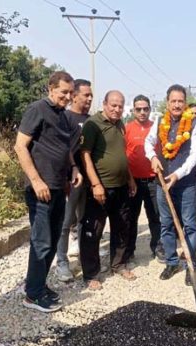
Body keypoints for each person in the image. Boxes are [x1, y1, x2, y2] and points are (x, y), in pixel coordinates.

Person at [14, 71, 82, 313]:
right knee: (41, 242)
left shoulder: (63, 117)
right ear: (50, 89)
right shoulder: (37, 109)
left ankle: (37, 284)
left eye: (70, 92)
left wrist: (74, 167)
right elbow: (20, 146)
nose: (67, 96)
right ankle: (32, 295)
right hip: (41, 189)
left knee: (52, 240)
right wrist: (36, 181)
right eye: (63, 92)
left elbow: (66, 149)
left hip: (58, 186)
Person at [144, 84, 196, 286]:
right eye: (173, 101)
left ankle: (189, 263)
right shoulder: (160, 121)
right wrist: (152, 156)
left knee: (189, 225)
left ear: (185, 103)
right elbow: (148, 142)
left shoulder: (194, 124)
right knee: (166, 224)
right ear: (167, 102)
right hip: (163, 182)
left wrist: (177, 175)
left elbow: (195, 154)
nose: (177, 105)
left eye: (180, 101)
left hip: (185, 182)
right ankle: (171, 262)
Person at [79, 90, 137, 290]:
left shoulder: (120, 124)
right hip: (100, 188)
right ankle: (91, 274)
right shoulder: (93, 124)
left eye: (120, 106)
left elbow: (121, 154)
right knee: (93, 231)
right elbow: (84, 155)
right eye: (113, 105)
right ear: (104, 104)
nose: (117, 109)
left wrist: (130, 179)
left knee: (121, 227)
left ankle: (118, 264)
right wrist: (95, 184)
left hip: (120, 186)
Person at [55, 79, 93, 282]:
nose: (89, 99)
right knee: (65, 221)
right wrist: (70, 171)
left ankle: (82, 255)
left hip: (88, 178)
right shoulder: (65, 117)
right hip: (71, 178)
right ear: (74, 95)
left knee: (83, 220)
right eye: (85, 95)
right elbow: (63, 148)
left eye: (91, 96)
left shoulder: (92, 120)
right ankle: (61, 262)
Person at [125, 94, 164, 262]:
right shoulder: (126, 129)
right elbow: (122, 155)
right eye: (138, 109)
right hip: (133, 181)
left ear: (150, 109)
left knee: (155, 217)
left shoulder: (157, 128)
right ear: (133, 110)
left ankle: (158, 248)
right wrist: (129, 180)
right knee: (131, 218)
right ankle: (129, 250)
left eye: (145, 109)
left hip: (153, 180)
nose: (142, 112)